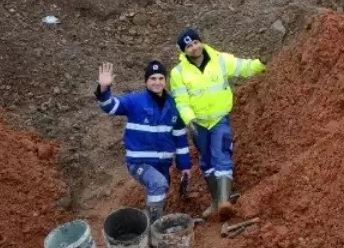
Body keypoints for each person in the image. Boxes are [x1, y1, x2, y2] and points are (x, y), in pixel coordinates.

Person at [169, 28, 265, 222]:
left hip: (219, 119)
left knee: (222, 155)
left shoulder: (219, 59)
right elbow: (181, 101)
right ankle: (216, 201)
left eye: (196, 42)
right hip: (199, 123)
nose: (194, 47)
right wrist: (190, 121)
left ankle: (223, 203)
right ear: (183, 50)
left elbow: (242, 67)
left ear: (201, 42)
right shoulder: (177, 73)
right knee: (206, 162)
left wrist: (260, 64)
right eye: (189, 46)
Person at [95, 61, 191, 222]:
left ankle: (144, 225)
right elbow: (110, 106)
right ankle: (155, 229)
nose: (157, 82)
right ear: (146, 81)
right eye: (153, 78)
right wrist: (104, 89)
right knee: (159, 184)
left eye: (161, 78)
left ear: (165, 81)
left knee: (160, 193)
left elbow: (180, 137)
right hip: (139, 162)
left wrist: (185, 166)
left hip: (163, 164)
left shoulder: (174, 105)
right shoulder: (135, 101)